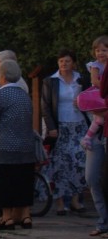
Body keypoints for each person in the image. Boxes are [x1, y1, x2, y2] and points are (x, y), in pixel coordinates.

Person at [0, 60, 37, 230]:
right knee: (23, 182)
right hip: (26, 147)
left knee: (5, 183)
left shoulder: (1, 95)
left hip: (5, 147)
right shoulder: (24, 95)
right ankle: (25, 216)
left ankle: (8, 218)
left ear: (3, 76)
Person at [41, 49, 90, 215]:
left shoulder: (81, 79)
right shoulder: (51, 81)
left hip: (79, 125)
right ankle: (61, 202)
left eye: (67, 61)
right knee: (60, 164)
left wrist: (83, 103)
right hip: (60, 125)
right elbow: (45, 106)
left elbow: (91, 98)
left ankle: (76, 199)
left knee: (79, 162)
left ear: (73, 63)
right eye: (61, 61)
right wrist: (51, 127)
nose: (64, 64)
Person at [83, 36, 108, 236]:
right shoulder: (95, 67)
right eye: (98, 50)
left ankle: (104, 223)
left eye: (104, 50)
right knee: (91, 177)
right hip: (98, 128)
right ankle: (103, 219)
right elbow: (94, 85)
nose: (101, 53)